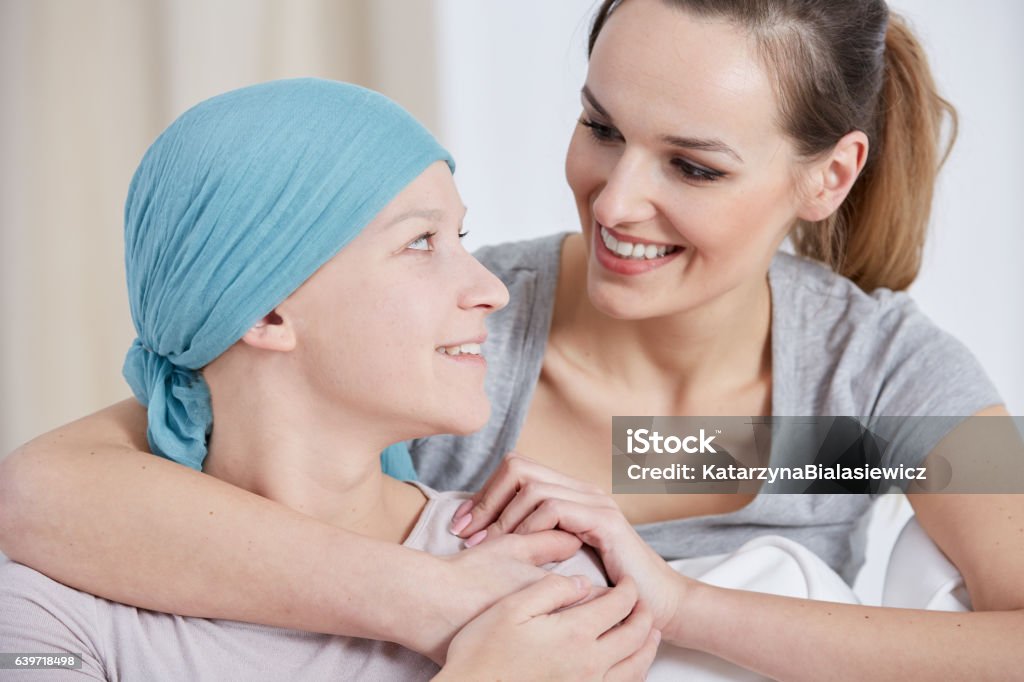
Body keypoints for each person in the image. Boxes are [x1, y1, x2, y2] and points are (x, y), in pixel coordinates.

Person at [2, 0, 1022, 678]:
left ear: (828, 176)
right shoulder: (450, 338)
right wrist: (437, 603)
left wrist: (676, 602)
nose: (615, 202)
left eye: (693, 168)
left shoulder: (873, 386)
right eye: (601, 127)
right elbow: (56, 485)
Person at [0, 79, 660, 681]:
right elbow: (34, 487)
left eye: (460, 236)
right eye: (423, 242)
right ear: (266, 308)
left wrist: (682, 592)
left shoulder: (544, 588)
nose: (492, 289)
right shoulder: (46, 605)